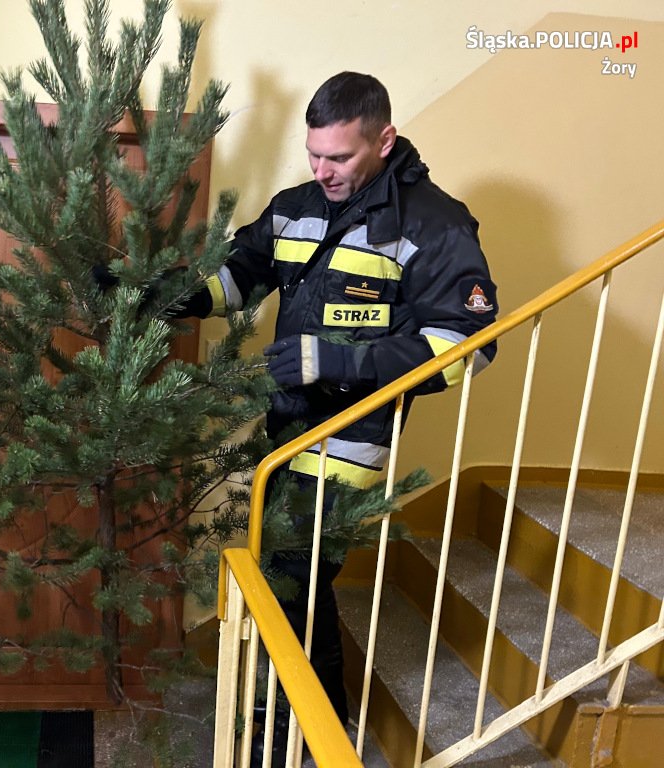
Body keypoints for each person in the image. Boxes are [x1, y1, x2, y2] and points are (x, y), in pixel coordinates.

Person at [172, 71, 498, 761]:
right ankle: (320, 729)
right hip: (286, 432)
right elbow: (240, 275)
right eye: (314, 154)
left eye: (340, 157)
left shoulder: (433, 224)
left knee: (290, 581)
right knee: (295, 588)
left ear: (385, 140)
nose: (322, 171)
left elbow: (467, 348)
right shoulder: (298, 208)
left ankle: (297, 731)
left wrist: (341, 362)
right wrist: (166, 298)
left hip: (353, 442)